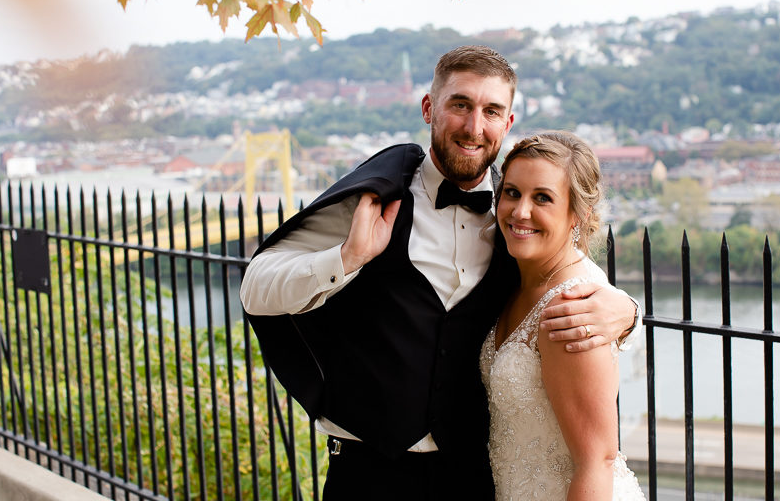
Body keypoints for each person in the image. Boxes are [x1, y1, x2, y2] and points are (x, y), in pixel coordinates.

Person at [240, 46, 640, 500]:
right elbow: (255, 289)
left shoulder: (517, 223)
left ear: (507, 124)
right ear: (429, 107)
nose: (474, 127)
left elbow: (567, 282)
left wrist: (628, 309)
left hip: (474, 479)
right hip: (367, 473)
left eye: (491, 111)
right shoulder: (372, 198)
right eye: (460, 105)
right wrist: (347, 259)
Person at [480, 131, 645, 500]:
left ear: (578, 214)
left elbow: (597, 461)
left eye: (543, 198)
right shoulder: (517, 278)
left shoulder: (573, 306)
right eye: (512, 193)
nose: (520, 211)